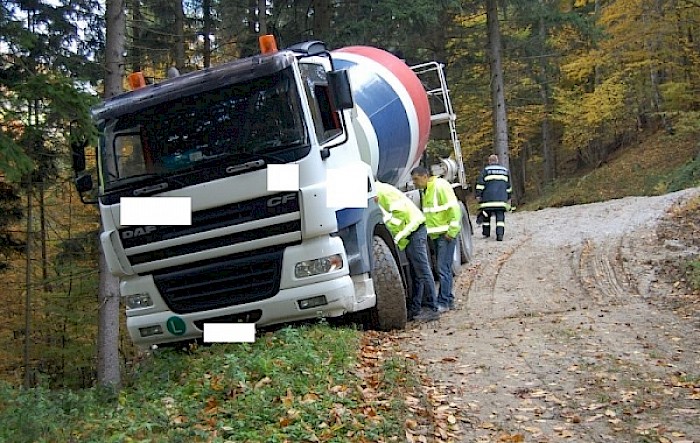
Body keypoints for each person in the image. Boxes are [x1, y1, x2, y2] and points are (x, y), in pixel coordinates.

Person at [374, 181, 440, 322]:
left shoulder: (380, 192)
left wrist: (389, 229)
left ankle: (432, 308)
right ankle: (416, 309)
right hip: (412, 231)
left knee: (422, 271)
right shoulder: (382, 189)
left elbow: (400, 213)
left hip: (413, 230)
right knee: (415, 273)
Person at [410, 166, 462, 312]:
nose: (414, 183)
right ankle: (448, 299)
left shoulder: (440, 186)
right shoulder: (426, 190)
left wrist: (451, 232)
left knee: (442, 269)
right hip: (437, 235)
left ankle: (444, 302)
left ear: (425, 176)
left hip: (445, 234)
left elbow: (454, 209)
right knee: (443, 268)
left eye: (416, 179)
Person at [475, 154, 512, 241]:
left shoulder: (485, 170)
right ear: (497, 161)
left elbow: (480, 184)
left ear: (489, 161)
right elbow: (508, 187)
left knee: (486, 216)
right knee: (500, 218)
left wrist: (478, 195)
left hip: (488, 200)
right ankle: (500, 235)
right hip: (501, 200)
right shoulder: (505, 171)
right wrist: (509, 197)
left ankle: (486, 233)